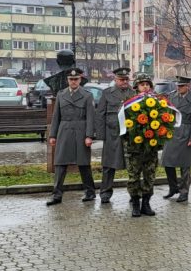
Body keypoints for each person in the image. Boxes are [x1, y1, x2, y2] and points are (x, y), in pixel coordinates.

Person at [46, 68, 96, 206]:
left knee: (84, 163)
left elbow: (91, 117)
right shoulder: (61, 95)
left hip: (81, 131)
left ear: (80, 80)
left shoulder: (87, 95)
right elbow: (56, 117)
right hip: (64, 131)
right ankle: (56, 194)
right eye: (71, 79)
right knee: (60, 163)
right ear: (67, 80)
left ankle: (90, 192)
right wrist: (53, 135)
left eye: (76, 79)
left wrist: (89, 136)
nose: (73, 81)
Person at [94, 66, 135, 204]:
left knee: (133, 166)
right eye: (121, 79)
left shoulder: (133, 93)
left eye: (126, 79)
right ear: (115, 79)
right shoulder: (107, 93)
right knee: (108, 166)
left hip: (130, 136)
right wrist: (101, 135)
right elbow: (100, 115)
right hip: (112, 135)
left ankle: (133, 193)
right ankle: (105, 193)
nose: (124, 82)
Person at [161, 76, 191, 203]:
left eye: (181, 86)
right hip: (172, 132)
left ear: (188, 86)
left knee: (185, 165)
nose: (178, 88)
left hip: (186, 131)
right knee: (167, 162)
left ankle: (184, 192)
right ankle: (173, 188)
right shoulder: (172, 96)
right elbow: (167, 114)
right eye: (177, 86)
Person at [126, 72, 159, 217]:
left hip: (150, 147)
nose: (145, 87)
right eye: (142, 84)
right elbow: (123, 124)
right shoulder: (130, 102)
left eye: (147, 84)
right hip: (134, 147)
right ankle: (135, 204)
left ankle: (146, 203)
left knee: (149, 176)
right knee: (133, 177)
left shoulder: (156, 101)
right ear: (136, 86)